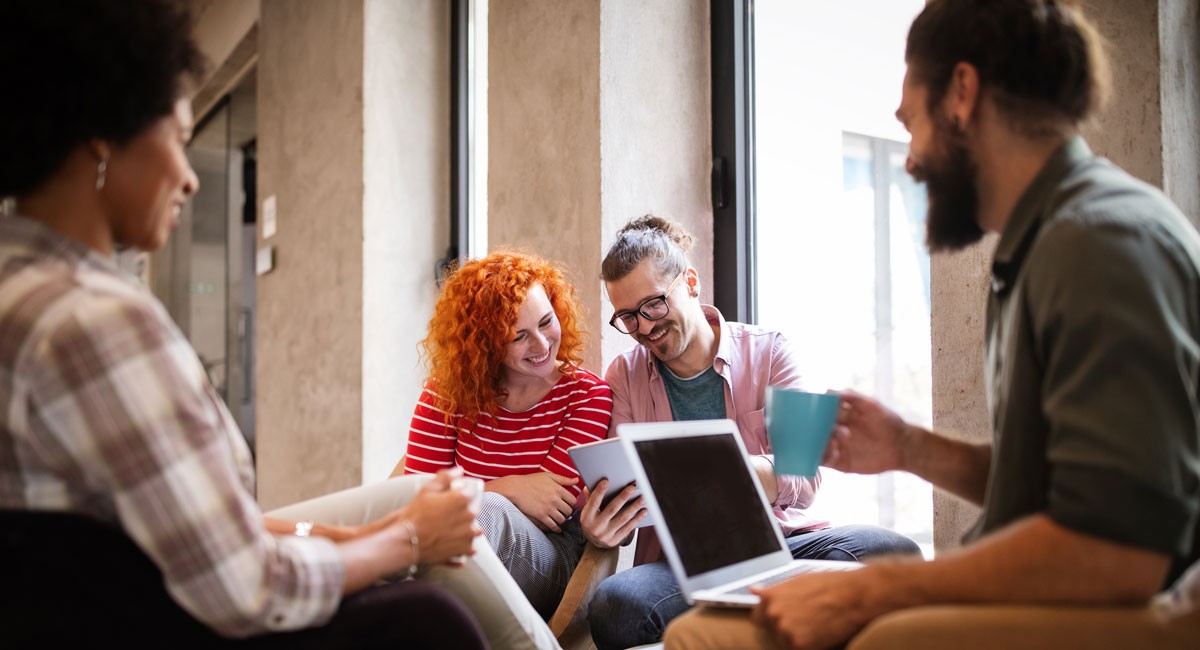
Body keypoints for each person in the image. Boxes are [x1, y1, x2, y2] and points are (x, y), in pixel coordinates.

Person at [663, 1, 1200, 649]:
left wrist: (868, 590)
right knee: (716, 624)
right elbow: (1059, 485)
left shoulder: (1098, 244)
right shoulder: (1047, 242)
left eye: (909, 124)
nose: (910, 160)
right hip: (1083, 584)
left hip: (1138, 603)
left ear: (962, 94)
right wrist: (911, 449)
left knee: (722, 637)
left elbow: (1120, 548)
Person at [0, 1, 490, 647]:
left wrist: (372, 540)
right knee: (434, 618)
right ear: (103, 137)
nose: (188, 179)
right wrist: (408, 540)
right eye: (176, 139)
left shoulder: (19, 288)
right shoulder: (94, 323)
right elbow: (245, 586)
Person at [581, 215, 922, 650]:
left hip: (788, 545)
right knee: (616, 605)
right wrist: (603, 526)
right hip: (682, 566)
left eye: (654, 305)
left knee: (891, 552)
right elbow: (627, 498)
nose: (644, 327)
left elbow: (805, 474)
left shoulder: (775, 349)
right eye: (628, 317)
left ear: (690, 281)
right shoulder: (624, 375)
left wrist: (720, 471)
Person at [395, 251, 614, 620]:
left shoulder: (587, 395)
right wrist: (510, 486)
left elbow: (552, 507)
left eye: (547, 322)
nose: (542, 345)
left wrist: (480, 495)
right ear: (486, 345)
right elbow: (416, 501)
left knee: (484, 512)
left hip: (549, 558)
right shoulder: (446, 393)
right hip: (454, 552)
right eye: (519, 337)